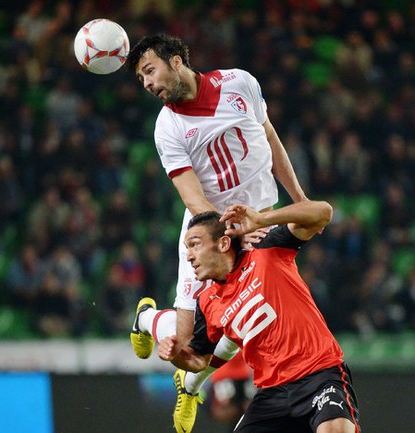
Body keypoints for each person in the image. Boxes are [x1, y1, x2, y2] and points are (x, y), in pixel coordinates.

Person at [125, 33, 308, 432]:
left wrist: (298, 201)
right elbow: (192, 197)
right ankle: (146, 319)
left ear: (176, 61)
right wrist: (228, 236)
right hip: (209, 232)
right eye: (141, 79)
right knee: (187, 344)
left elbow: (271, 141)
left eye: (150, 71)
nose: (148, 83)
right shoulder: (167, 127)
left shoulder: (240, 83)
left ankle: (190, 386)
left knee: (249, 319)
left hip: (259, 222)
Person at [154, 201, 361, 433]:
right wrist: (175, 355)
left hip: (318, 374)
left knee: (335, 429)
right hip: (272, 393)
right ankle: (145, 318)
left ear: (223, 243)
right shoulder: (207, 302)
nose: (189, 256)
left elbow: (323, 213)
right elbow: (197, 360)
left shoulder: (265, 249)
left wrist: (262, 220)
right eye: (187, 248)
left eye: (195, 244)